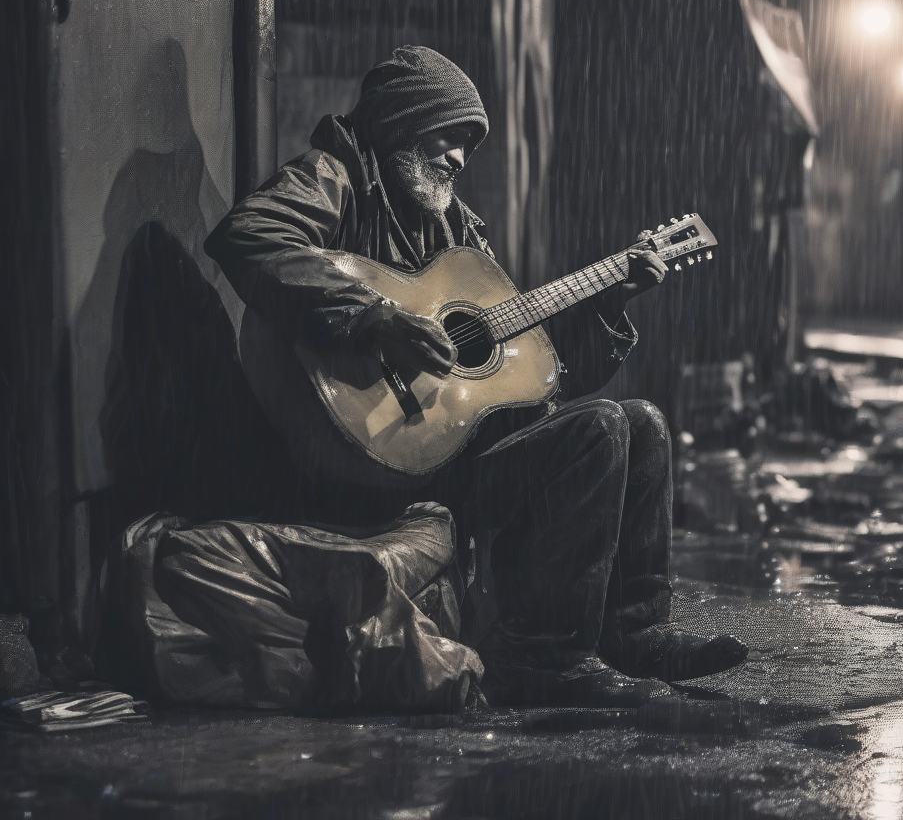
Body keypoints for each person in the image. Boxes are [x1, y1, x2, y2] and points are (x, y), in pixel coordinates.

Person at [204, 46, 748, 708]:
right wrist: (375, 317)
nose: (460, 159)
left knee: (641, 421)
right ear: (405, 118)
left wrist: (610, 301)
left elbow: (532, 381)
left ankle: (635, 632)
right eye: (450, 135)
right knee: (602, 427)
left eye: (470, 144)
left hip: (451, 451)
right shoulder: (335, 175)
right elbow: (250, 235)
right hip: (367, 459)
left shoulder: (456, 226)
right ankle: (541, 655)